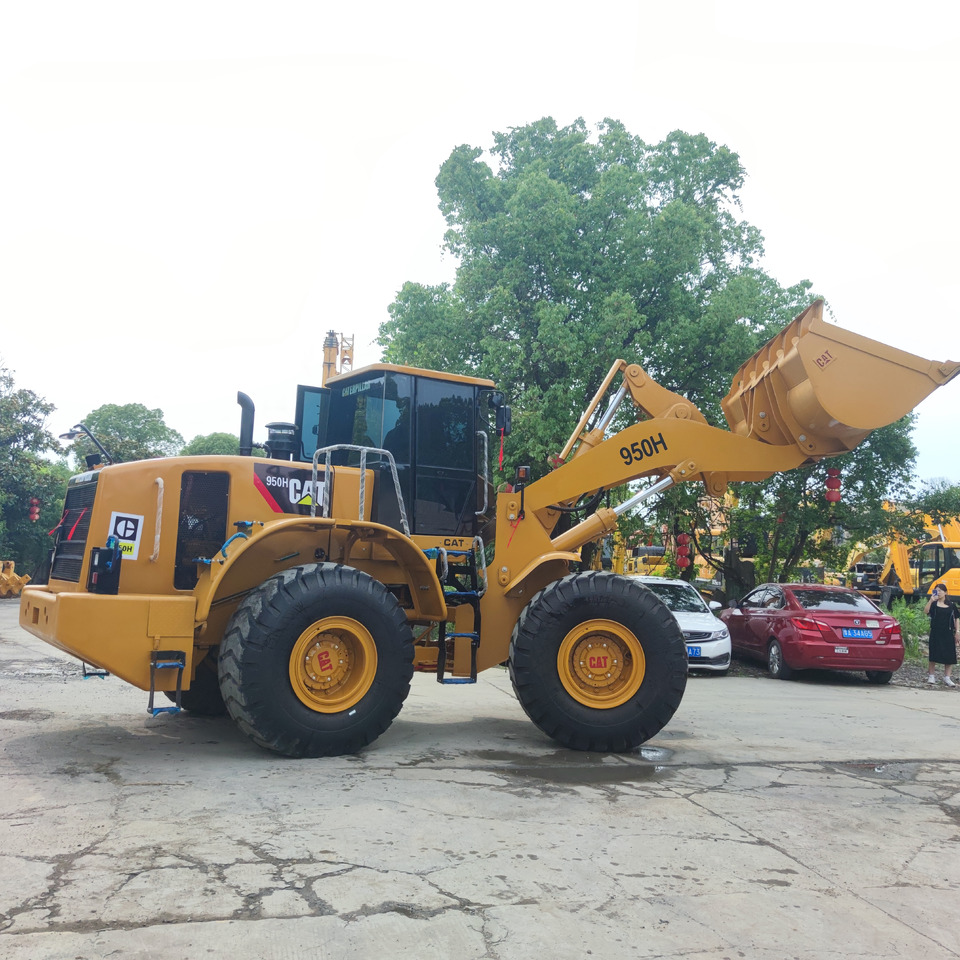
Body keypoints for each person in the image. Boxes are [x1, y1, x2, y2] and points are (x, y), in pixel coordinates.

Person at [924, 584, 960, 686]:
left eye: (940, 591)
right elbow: (926, 611)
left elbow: (957, 618)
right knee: (933, 653)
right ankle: (931, 676)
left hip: (948, 632)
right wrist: (931, 600)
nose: (938, 593)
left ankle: (947, 677)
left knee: (949, 655)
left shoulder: (951, 605)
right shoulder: (934, 604)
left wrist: (957, 631)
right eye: (936, 591)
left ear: (945, 592)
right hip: (936, 632)